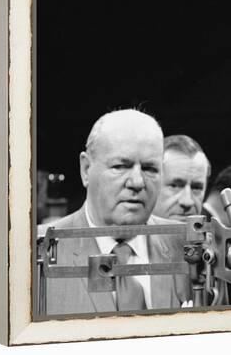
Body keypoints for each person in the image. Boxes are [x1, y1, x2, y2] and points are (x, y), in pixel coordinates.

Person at [41, 110, 191, 315]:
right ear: (86, 169)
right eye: (121, 166)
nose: (137, 182)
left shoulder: (190, 245)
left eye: (150, 169)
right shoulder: (37, 252)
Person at [152, 134, 211, 222]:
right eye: (175, 186)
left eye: (196, 188)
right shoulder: (127, 234)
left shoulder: (215, 235)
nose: (187, 202)